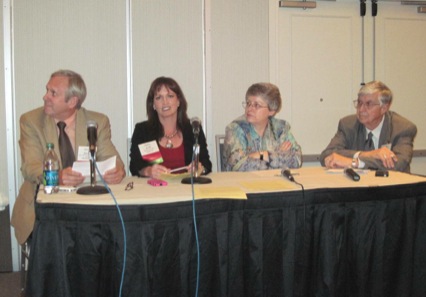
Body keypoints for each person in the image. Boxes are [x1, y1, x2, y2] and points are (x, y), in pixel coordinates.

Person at [11, 69, 126, 244]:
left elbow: (113, 158)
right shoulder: (31, 121)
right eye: (47, 90)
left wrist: (117, 170)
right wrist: (57, 176)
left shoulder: (96, 122)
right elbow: (30, 167)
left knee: (104, 240)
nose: (45, 97)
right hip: (45, 209)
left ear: (72, 101)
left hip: (87, 206)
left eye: (53, 93)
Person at [320, 80, 417, 173]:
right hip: (358, 187)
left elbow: (398, 164)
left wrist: (355, 163)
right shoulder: (348, 124)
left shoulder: (403, 128)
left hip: (393, 187)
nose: (361, 109)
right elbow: (327, 155)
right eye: (359, 103)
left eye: (368, 104)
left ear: (384, 108)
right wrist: (368, 154)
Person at [129, 76, 212, 178]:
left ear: (178, 101)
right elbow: (134, 167)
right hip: (155, 190)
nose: (165, 102)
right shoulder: (143, 130)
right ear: (153, 104)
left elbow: (207, 165)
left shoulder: (192, 129)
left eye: (170, 96)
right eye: (159, 97)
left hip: (187, 189)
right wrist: (148, 171)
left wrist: (200, 168)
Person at [223, 82, 302, 171]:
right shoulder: (235, 128)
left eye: (257, 105)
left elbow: (296, 160)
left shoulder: (281, 128)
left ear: (271, 111)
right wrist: (276, 156)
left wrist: (262, 155)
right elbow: (239, 166)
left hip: (274, 183)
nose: (250, 109)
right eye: (248, 103)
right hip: (243, 183)